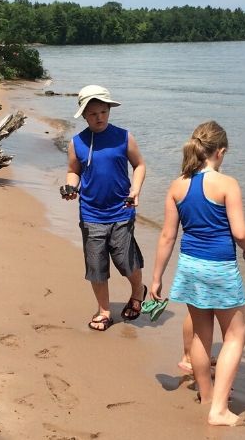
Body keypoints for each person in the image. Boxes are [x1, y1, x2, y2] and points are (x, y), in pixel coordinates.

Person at [150, 120, 245, 427]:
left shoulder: (177, 185)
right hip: (219, 268)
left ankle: (208, 395)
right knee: (235, 336)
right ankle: (220, 410)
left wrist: (157, 278)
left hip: (189, 266)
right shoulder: (227, 184)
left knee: (201, 334)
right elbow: (239, 232)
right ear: (220, 152)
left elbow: (167, 237)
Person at [63, 85, 147, 331]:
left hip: (122, 210)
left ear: (109, 110)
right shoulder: (77, 143)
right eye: (92, 114)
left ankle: (137, 292)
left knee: (125, 259)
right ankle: (104, 310)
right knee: (96, 265)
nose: (99, 117)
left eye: (103, 112)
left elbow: (139, 165)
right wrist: (71, 187)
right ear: (84, 115)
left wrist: (136, 189)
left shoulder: (124, 137)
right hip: (90, 213)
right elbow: (73, 172)